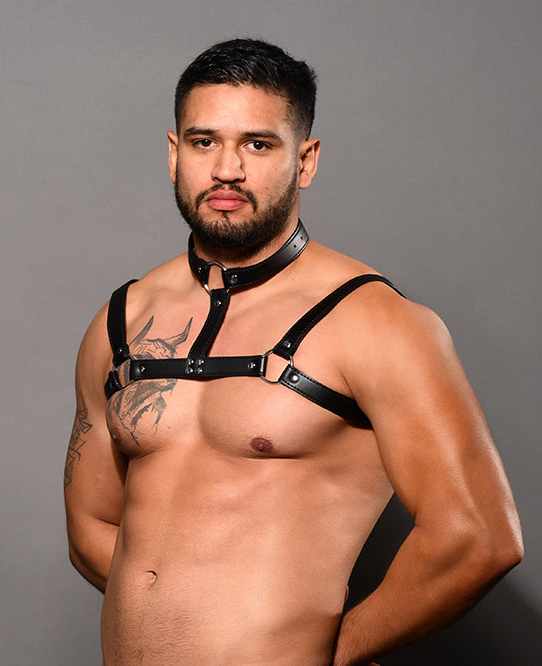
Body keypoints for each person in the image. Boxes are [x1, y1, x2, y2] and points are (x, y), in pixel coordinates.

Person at [64, 38, 523, 666]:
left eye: (258, 144)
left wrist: (326, 652)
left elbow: (479, 538)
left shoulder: (376, 321)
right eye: (204, 142)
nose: (227, 169)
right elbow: (89, 526)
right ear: (174, 154)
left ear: (305, 161)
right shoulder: (121, 320)